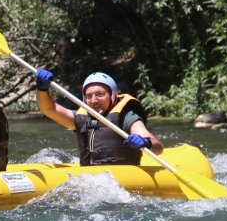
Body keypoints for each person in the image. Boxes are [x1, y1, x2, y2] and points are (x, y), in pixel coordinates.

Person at [35, 68, 163, 165]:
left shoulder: (127, 116)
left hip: (122, 178)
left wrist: (145, 142)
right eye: (89, 96)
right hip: (92, 180)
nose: (94, 100)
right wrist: (42, 89)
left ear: (113, 95)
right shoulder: (82, 118)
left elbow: (158, 147)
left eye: (100, 94)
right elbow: (48, 109)